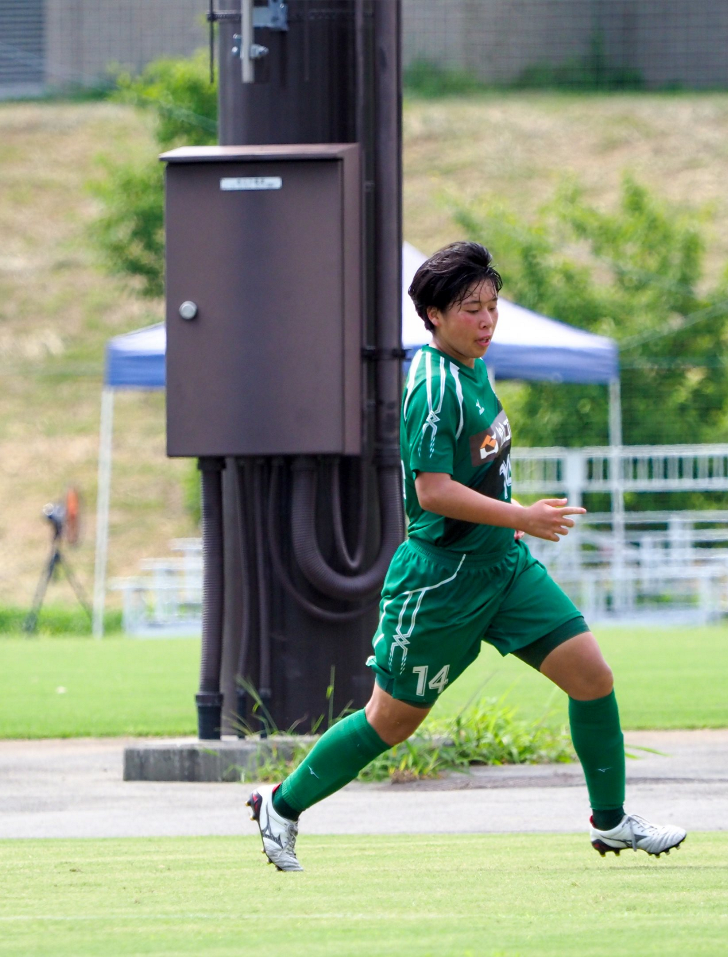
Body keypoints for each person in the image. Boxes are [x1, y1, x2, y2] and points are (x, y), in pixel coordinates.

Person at [248, 241, 686, 871]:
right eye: (470, 309)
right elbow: (433, 492)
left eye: (491, 305)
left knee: (593, 678)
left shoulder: (475, 367)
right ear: (432, 314)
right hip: (441, 583)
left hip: (502, 569)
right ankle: (282, 805)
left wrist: (512, 528)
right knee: (391, 721)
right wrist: (524, 518)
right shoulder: (432, 385)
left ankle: (612, 820)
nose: (487, 321)